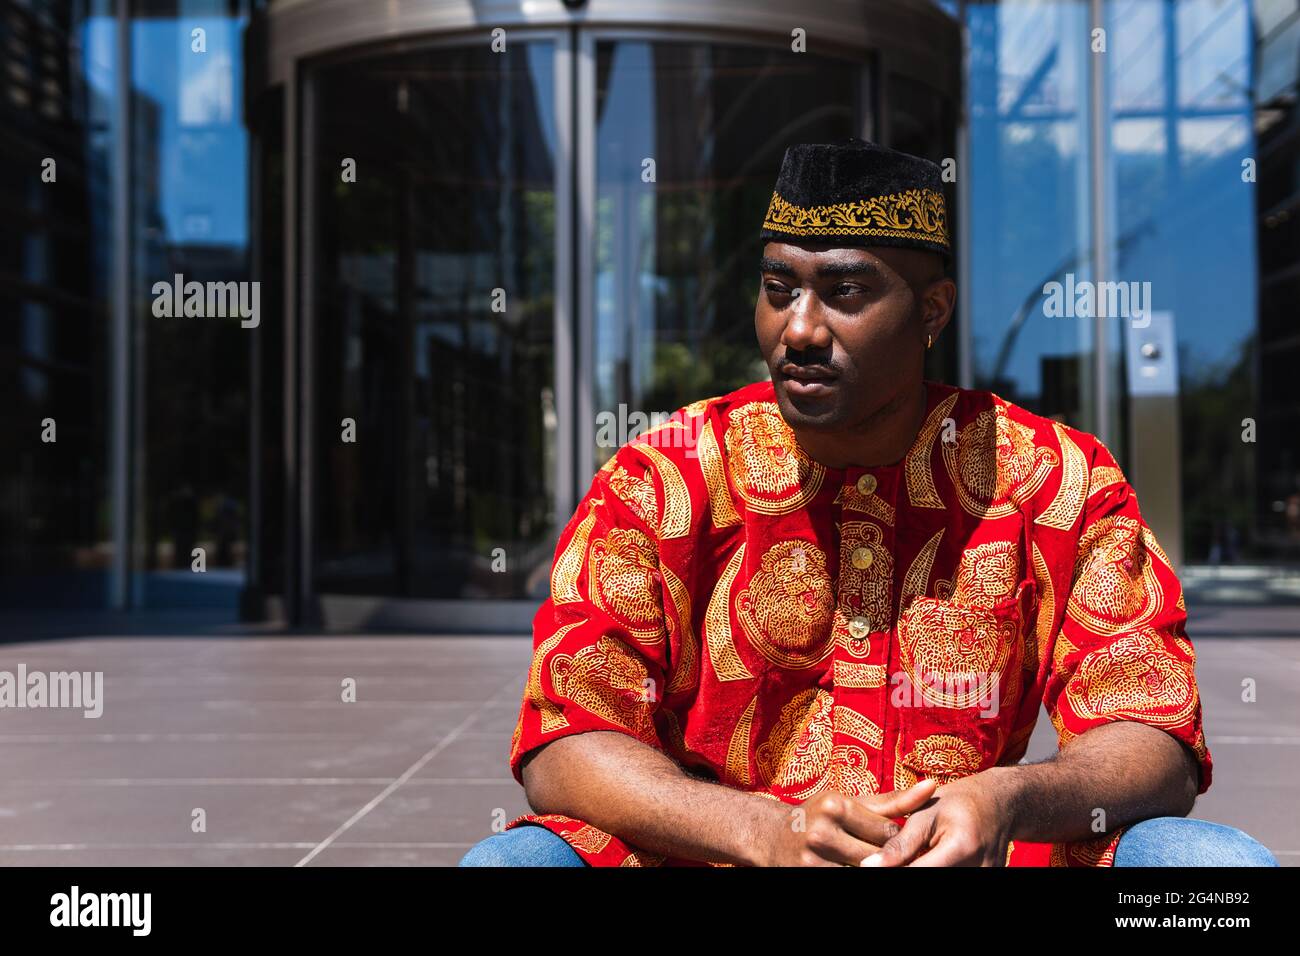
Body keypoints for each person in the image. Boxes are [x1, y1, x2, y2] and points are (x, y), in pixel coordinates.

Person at [461, 139, 1277, 867]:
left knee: (1209, 869)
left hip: (972, 860)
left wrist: (1004, 800)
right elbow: (562, 744)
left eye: (843, 291)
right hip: (723, 857)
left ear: (932, 312)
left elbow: (1154, 737)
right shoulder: (665, 476)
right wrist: (761, 834)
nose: (800, 328)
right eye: (779, 288)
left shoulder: (1053, 479)